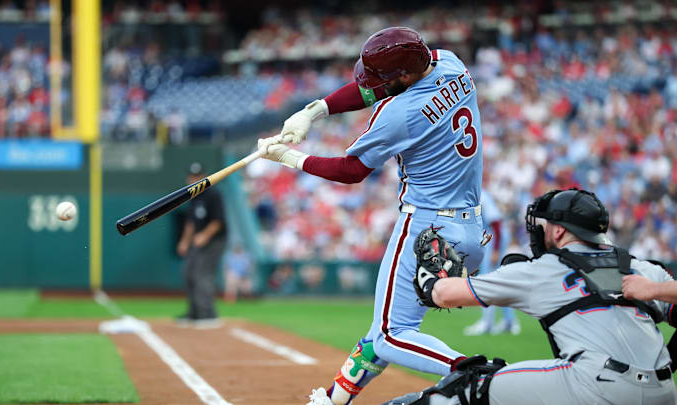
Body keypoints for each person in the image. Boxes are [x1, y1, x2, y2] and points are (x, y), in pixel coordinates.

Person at [258, 27, 486, 405]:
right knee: (381, 332)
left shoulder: (402, 113)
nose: (375, 84)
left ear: (406, 75)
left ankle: (476, 372)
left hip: (426, 225)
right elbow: (376, 88)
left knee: (390, 334)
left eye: (385, 76)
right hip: (469, 230)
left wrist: (290, 159)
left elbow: (351, 170)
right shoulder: (450, 62)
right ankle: (333, 401)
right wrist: (316, 110)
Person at [391, 188, 677, 405]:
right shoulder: (644, 269)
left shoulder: (543, 270)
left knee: (471, 383)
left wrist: (434, 271)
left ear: (560, 230)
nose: (540, 229)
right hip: (664, 393)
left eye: (546, 223)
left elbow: (443, 294)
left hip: (596, 385)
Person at [176, 162, 228, 327]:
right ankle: (195, 312)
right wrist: (185, 241)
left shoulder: (213, 194)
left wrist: (205, 235)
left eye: (197, 177)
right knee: (189, 272)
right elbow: (191, 222)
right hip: (198, 240)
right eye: (192, 177)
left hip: (214, 240)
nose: (194, 180)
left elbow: (218, 221)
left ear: (204, 177)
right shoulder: (192, 196)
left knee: (202, 274)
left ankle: (208, 313)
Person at [463, 190, 520, 336]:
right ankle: (509, 322)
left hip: (494, 237)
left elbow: (496, 223)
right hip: (490, 237)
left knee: (487, 279)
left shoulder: (480, 195)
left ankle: (487, 323)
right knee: (500, 280)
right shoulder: (475, 194)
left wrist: (495, 250)